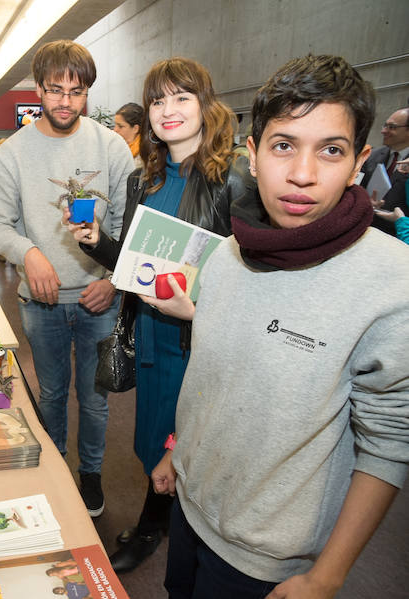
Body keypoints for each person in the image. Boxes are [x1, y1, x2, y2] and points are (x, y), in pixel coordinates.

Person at [147, 54, 409, 598]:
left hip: (266, 556)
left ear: (360, 161)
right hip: (191, 508)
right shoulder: (228, 253)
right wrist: (178, 451)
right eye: (284, 145)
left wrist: (325, 575)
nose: (303, 174)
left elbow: (389, 443)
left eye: (331, 150)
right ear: (254, 152)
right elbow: (213, 374)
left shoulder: (391, 282)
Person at [67, 57, 255, 573]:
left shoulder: (234, 178)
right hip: (149, 333)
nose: (167, 111)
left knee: (188, 448)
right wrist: (96, 242)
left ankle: (163, 531)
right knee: (154, 444)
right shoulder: (142, 179)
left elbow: (255, 278)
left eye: (181, 98)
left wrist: (199, 308)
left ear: (205, 105)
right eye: (157, 100)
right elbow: (132, 266)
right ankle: (166, 522)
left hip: (199, 342)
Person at [0, 40, 133, 517]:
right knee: (50, 394)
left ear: (87, 92)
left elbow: (130, 225)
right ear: (39, 90)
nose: (65, 101)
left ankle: (90, 475)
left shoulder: (110, 148)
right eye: (55, 89)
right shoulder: (13, 153)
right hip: (41, 303)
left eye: (77, 90)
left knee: (93, 401)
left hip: (98, 300)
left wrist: (114, 279)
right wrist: (30, 254)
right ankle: (52, 470)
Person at [360, 106, 409, 236]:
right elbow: (357, 187)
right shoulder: (372, 155)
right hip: (366, 229)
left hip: (399, 236)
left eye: (391, 127)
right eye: (384, 125)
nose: (383, 131)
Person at [112, 102, 144, 169]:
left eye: (120, 126)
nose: (115, 130)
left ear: (135, 128)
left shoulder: (145, 155)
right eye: (115, 125)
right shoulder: (116, 147)